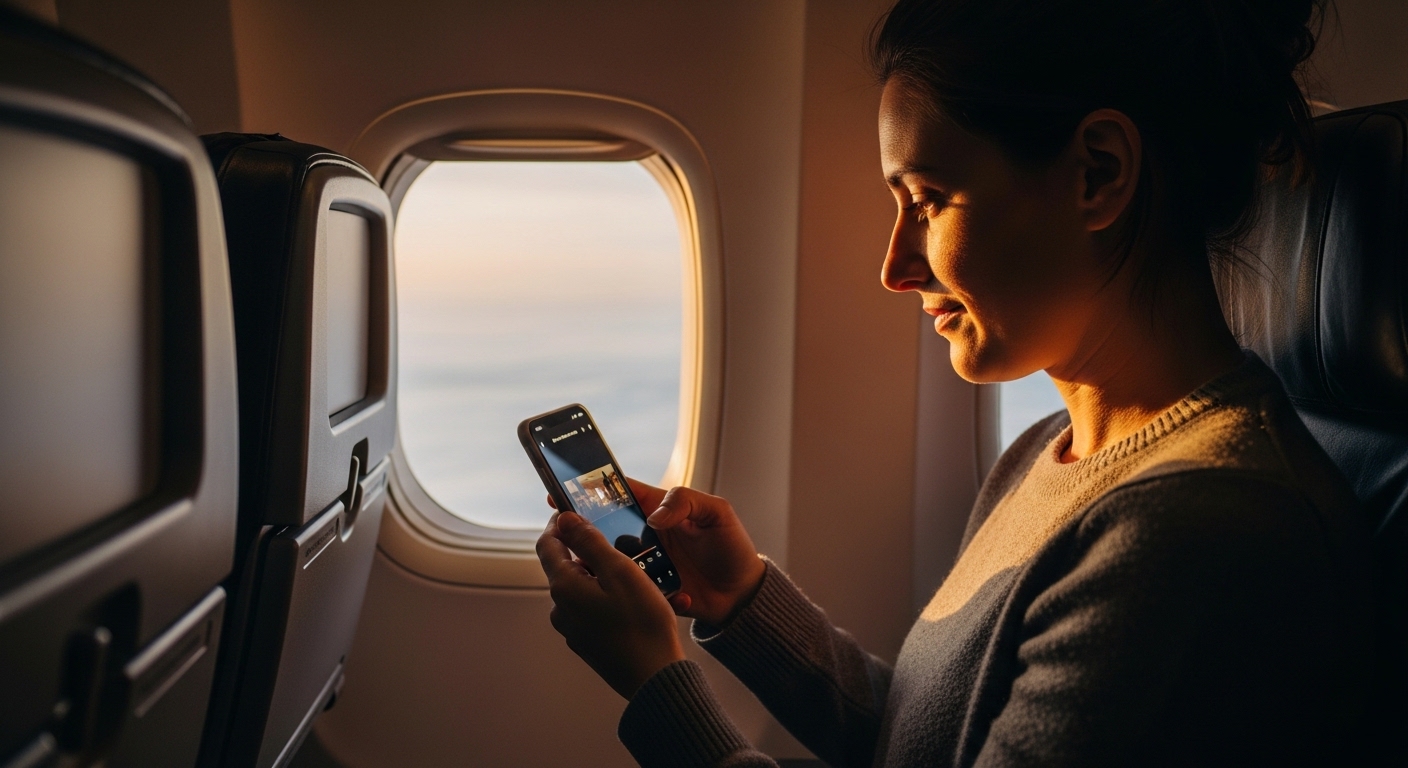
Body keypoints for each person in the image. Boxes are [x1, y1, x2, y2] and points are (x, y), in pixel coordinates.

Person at [535, 0, 1375, 765]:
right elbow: (931, 743)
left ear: (1099, 173)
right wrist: (742, 600)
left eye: (928, 199)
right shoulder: (1052, 451)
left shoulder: (1197, 536)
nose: (895, 268)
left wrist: (659, 693)